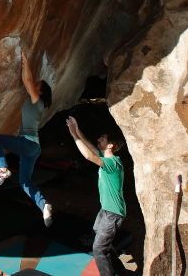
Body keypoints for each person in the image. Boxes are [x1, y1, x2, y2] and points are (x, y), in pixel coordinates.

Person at [0, 49, 54, 227]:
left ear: (40, 91)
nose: (34, 84)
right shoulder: (38, 104)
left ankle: (2, 169)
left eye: (37, 84)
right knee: (24, 182)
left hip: (28, 143)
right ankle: (44, 206)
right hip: (33, 149)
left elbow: (26, 80)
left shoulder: (36, 100)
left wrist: (25, 61)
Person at [66, 116, 126, 276]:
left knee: (98, 249)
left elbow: (88, 156)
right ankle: (118, 270)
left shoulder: (113, 163)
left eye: (103, 138)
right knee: (99, 239)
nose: (99, 139)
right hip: (106, 210)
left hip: (113, 214)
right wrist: (77, 130)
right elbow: (91, 148)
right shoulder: (106, 158)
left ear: (110, 145)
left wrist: (73, 136)